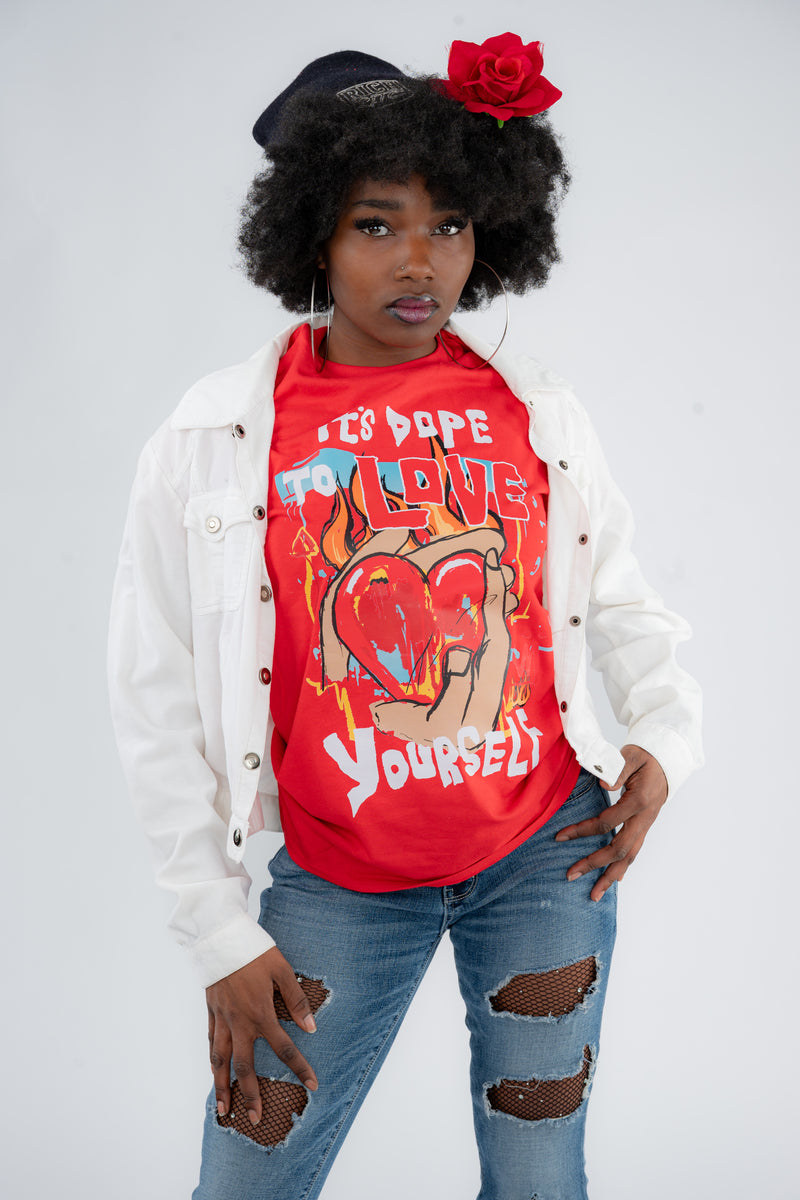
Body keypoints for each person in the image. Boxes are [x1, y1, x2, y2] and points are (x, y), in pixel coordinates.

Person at [108, 34, 702, 1200]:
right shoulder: (214, 436)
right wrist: (217, 931)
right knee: (249, 1175)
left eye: (450, 223)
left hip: (543, 856)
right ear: (312, 237)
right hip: (338, 875)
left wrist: (664, 740)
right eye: (376, 224)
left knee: (538, 1171)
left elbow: (619, 595)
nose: (418, 260)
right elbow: (153, 688)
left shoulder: (535, 410)